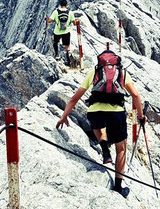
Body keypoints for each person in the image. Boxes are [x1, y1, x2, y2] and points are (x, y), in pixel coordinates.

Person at [55, 50, 143, 197]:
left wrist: (64, 116)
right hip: (116, 114)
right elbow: (135, 95)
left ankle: (105, 150)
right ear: (116, 61)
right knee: (121, 149)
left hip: (95, 113)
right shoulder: (123, 73)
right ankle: (119, 187)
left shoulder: (94, 73)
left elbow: (75, 98)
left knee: (97, 126)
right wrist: (140, 116)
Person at [46, 0, 79, 65]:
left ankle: (57, 55)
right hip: (66, 32)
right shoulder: (70, 12)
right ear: (66, 5)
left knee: (55, 42)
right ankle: (68, 61)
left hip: (57, 32)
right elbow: (74, 23)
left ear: (60, 4)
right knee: (67, 46)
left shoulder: (56, 12)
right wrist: (77, 21)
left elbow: (49, 21)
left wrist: (47, 19)